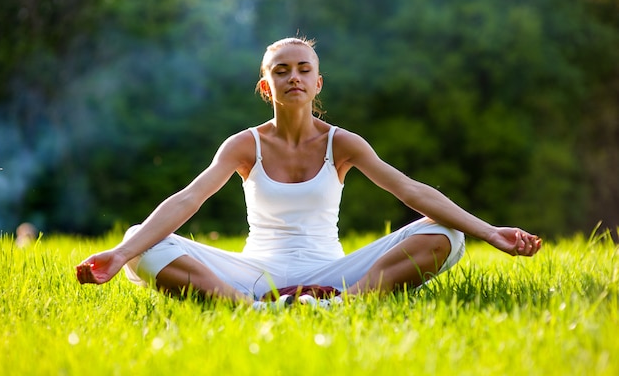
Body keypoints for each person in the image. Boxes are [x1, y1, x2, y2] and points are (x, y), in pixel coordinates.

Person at [76, 37, 542, 306]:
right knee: (141, 241)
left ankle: (341, 307)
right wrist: (120, 254)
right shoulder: (245, 144)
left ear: (318, 82)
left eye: (303, 69)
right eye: (281, 71)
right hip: (253, 275)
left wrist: (489, 232)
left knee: (448, 235)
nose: (293, 77)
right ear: (266, 85)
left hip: (336, 272)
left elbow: (411, 191)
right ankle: (255, 311)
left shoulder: (342, 143)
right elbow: (188, 200)